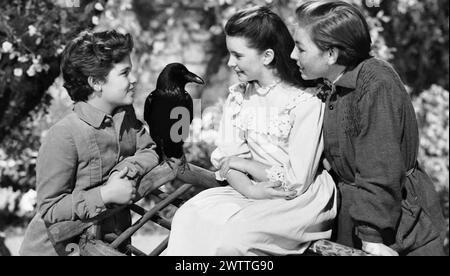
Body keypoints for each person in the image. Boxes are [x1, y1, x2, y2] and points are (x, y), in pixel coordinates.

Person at [166, 6, 336, 256]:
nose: (230, 63)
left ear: (267, 56)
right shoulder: (240, 97)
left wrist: (245, 165)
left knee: (233, 238)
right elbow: (228, 157)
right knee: (188, 216)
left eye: (238, 55)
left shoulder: (305, 102)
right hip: (249, 189)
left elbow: (296, 180)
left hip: (295, 198)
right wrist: (250, 188)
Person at [290, 0, 446, 256]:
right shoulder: (333, 82)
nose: (293, 55)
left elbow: (379, 165)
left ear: (331, 54)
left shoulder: (375, 82)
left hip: (397, 228)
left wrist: (372, 236)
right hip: (355, 219)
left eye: (300, 48)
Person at [19, 30, 160, 255]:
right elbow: (50, 207)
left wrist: (124, 170)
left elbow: (150, 151)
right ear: (96, 82)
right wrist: (106, 195)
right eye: (125, 73)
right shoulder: (64, 134)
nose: (134, 79)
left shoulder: (126, 117)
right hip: (58, 250)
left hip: (110, 243)